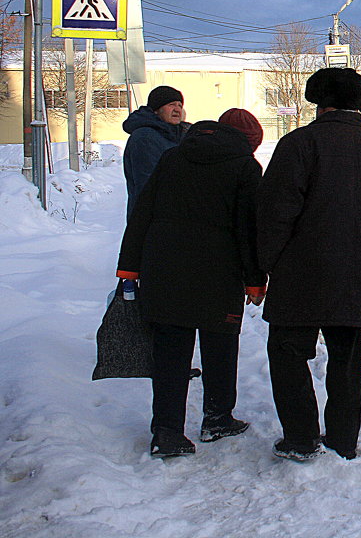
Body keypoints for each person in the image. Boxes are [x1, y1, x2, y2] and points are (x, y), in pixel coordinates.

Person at [258, 68, 361, 462]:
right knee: (346, 362)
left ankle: (301, 438)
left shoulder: (297, 145)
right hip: (354, 279)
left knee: (288, 355)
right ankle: (343, 440)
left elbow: (274, 214)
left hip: (298, 275)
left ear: (321, 106)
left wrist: (262, 267)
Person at [116, 108, 266, 459]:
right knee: (221, 345)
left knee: (170, 351)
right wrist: (255, 279)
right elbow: (249, 228)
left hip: (164, 269)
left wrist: (129, 267)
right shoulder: (245, 167)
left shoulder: (172, 157)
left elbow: (143, 211)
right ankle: (217, 417)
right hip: (220, 273)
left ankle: (167, 432)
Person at [123, 85, 188, 218]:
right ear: (157, 110)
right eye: (171, 105)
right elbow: (148, 184)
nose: (177, 109)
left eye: (180, 105)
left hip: (172, 215)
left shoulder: (178, 134)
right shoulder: (145, 138)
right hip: (153, 217)